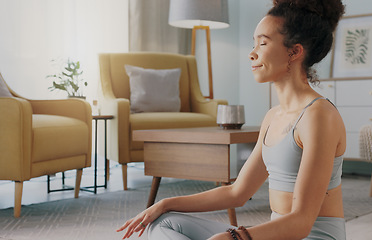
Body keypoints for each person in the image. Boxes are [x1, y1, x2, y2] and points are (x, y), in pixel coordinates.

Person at [116, 0, 346, 239]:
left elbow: (301, 223)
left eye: (263, 43)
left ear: (295, 51)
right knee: (164, 222)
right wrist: (164, 203)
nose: (252, 52)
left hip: (311, 236)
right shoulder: (273, 117)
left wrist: (236, 237)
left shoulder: (318, 116)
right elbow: (237, 192)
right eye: (254, 43)